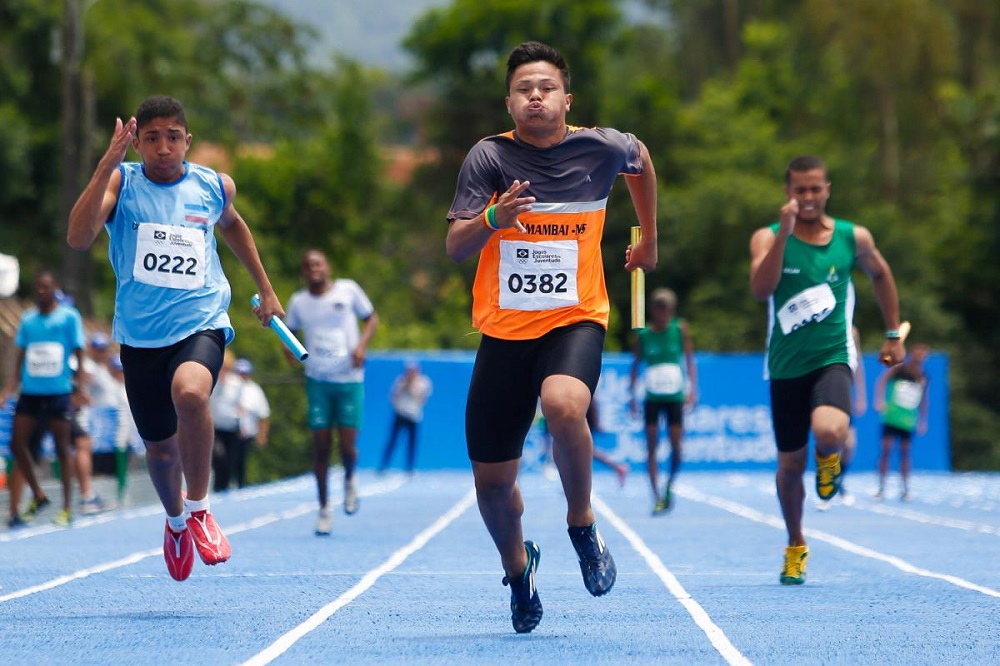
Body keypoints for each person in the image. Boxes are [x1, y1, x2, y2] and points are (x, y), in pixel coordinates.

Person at [445, 41, 658, 633]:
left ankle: (582, 524)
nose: (535, 95)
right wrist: (493, 219)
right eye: (523, 89)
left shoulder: (603, 147)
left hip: (576, 318)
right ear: (509, 102)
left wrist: (649, 239)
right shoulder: (488, 159)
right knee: (492, 485)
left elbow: (641, 161)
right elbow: (456, 247)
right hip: (505, 335)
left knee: (565, 404)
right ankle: (519, 570)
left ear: (567, 98)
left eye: (546, 87)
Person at [67, 95, 284, 582]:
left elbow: (234, 227)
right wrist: (106, 162)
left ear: (187, 140)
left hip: (200, 320)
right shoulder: (122, 183)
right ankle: (176, 522)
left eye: (172, 137)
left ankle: (201, 508)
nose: (162, 147)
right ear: (138, 143)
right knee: (160, 452)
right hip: (141, 337)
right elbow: (78, 237)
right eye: (151, 138)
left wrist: (266, 290)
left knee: (190, 393)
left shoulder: (213, 185)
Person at [749, 155, 904, 586]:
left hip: (833, 357)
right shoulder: (767, 236)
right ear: (788, 193)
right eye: (800, 190)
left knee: (831, 430)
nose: (809, 197)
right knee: (788, 466)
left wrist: (892, 333)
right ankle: (796, 544)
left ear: (827, 189)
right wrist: (782, 235)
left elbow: (882, 274)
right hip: (784, 367)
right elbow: (762, 289)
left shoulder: (853, 237)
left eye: (816, 189)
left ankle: (829, 459)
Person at [284, 249, 378, 536]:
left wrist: (361, 346)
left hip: (349, 378)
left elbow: (372, 319)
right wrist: (289, 351)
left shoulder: (348, 290)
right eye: (308, 265)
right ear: (303, 272)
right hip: (318, 380)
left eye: (318, 263)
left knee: (348, 446)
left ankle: (350, 478)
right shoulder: (298, 302)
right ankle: (324, 509)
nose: (314, 268)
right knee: (321, 447)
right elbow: (287, 332)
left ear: (328, 267)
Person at [1, 271, 84, 528]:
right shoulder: (28, 320)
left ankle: (68, 508)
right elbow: (20, 359)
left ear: (54, 289)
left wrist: (78, 387)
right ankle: (38, 494)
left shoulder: (69, 317)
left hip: (58, 391)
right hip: (31, 392)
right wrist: (8, 389)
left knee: (62, 448)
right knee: (16, 444)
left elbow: (79, 352)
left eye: (45, 288)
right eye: (37, 288)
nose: (40, 292)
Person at [629, 287, 698, 515]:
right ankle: (656, 494)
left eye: (667, 310)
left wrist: (692, 390)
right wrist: (632, 397)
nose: (663, 314)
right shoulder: (644, 334)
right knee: (651, 445)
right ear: (654, 310)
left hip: (675, 395)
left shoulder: (680, 329)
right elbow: (635, 365)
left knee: (677, 446)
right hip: (652, 397)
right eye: (660, 309)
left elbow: (689, 359)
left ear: (672, 311)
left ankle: (669, 484)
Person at [817, 324, 866, 510]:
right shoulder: (824, 325)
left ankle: (840, 482)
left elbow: (858, 364)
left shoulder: (852, 331)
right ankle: (827, 488)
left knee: (849, 444)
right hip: (826, 390)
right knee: (831, 440)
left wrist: (861, 396)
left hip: (845, 392)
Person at [874, 343, 930, 502]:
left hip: (908, 420)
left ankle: (905, 489)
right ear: (912, 353)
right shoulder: (900, 369)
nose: (920, 357)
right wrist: (879, 400)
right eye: (918, 353)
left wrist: (922, 420)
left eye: (924, 354)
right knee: (886, 451)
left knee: (905, 453)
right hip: (892, 417)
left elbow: (924, 399)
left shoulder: (923, 376)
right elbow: (882, 380)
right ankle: (881, 487)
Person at [379, 360, 432, 474]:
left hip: (414, 416)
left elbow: (421, 399)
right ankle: (384, 465)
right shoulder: (400, 381)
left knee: (412, 443)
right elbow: (393, 396)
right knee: (392, 441)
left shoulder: (423, 382)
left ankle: (410, 467)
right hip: (400, 415)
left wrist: (413, 385)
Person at [210, 351, 243, 492]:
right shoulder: (211, 380)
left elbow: (240, 405)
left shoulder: (237, 383)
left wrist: (243, 425)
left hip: (232, 426)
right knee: (219, 457)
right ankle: (218, 486)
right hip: (215, 427)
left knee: (231, 460)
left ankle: (226, 486)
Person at [234, 357, 270, 486]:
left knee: (242, 462)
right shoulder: (227, 386)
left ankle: (240, 486)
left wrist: (262, 434)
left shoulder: (255, 390)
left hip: (247, 433)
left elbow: (263, 413)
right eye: (239, 372)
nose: (242, 375)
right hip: (227, 431)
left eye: (244, 372)